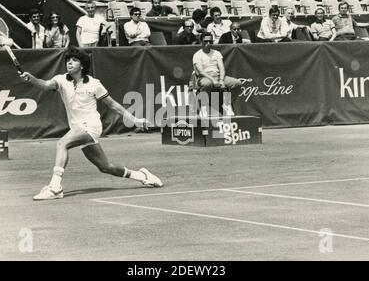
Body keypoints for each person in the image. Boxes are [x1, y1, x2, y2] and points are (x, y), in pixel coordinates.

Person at [19, 47, 163, 200]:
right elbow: (46, 85)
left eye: (74, 60)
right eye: (68, 60)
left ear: (82, 65)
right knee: (106, 167)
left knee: (62, 144)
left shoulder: (94, 84)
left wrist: (135, 120)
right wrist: (32, 79)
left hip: (91, 125)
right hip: (78, 128)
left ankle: (55, 187)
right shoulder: (61, 80)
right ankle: (142, 176)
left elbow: (113, 105)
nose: (69, 63)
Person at [192, 32, 242, 117]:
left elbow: (221, 67)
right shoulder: (197, 55)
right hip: (204, 77)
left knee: (237, 83)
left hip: (218, 76)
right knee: (207, 84)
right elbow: (201, 71)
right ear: (201, 42)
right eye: (205, 41)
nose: (208, 44)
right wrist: (212, 80)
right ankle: (203, 107)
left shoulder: (217, 53)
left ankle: (227, 104)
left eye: (210, 41)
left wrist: (222, 80)